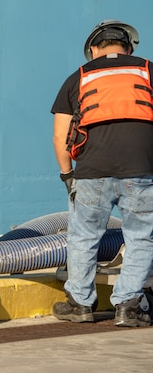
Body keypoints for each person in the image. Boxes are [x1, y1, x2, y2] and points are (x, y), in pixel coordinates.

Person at [51, 19, 153, 327]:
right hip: (142, 170)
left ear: (94, 49)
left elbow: (60, 137)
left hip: (91, 173)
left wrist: (67, 175)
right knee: (141, 238)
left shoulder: (78, 78)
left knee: (83, 237)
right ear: (127, 46)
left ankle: (80, 304)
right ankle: (128, 306)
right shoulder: (148, 71)